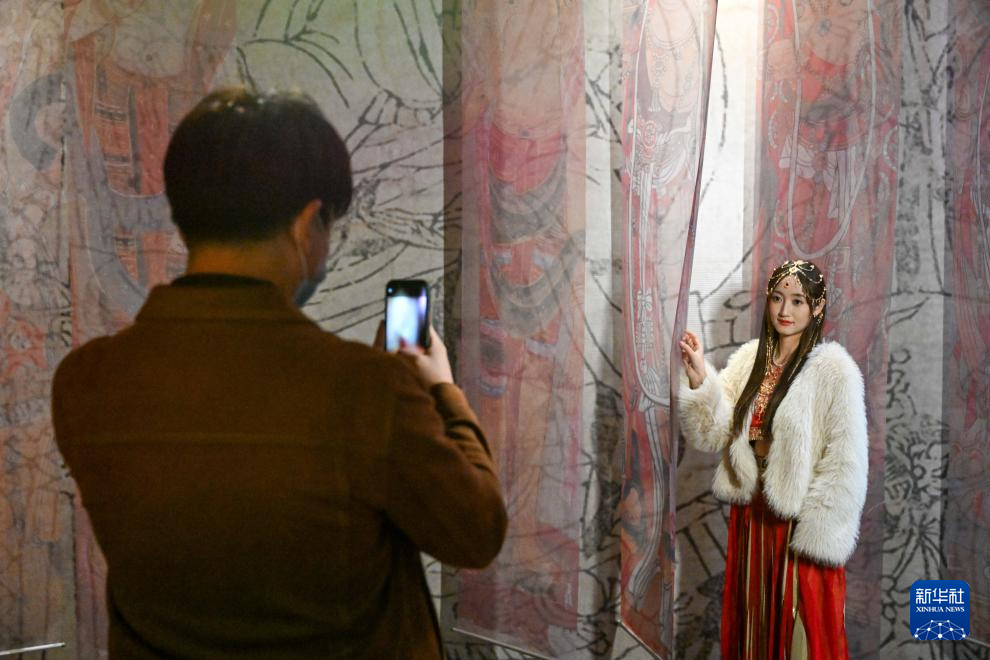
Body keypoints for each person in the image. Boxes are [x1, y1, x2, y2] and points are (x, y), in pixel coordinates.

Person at [51, 87, 507, 659]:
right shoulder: (364, 388)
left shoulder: (86, 379)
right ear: (307, 224)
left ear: (185, 218)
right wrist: (439, 389)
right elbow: (475, 531)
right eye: (328, 228)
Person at [677, 259, 868, 659]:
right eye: (778, 298)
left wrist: (817, 534)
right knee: (754, 622)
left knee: (800, 630)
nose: (785, 310)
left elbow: (845, 463)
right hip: (753, 514)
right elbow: (715, 432)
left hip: (799, 521)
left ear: (817, 306)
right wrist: (699, 380)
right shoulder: (750, 359)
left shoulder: (834, 371)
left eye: (798, 301)